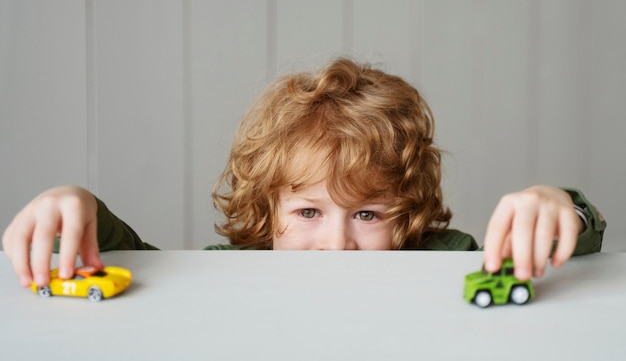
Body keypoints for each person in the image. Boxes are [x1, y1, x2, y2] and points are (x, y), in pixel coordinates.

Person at [3, 58, 606, 289]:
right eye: (309, 212)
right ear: (268, 216)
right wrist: (75, 204)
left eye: (367, 214)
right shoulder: (230, 274)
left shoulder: (445, 260)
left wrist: (556, 205)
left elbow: (574, 259)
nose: (338, 246)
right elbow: (142, 271)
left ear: (408, 218)